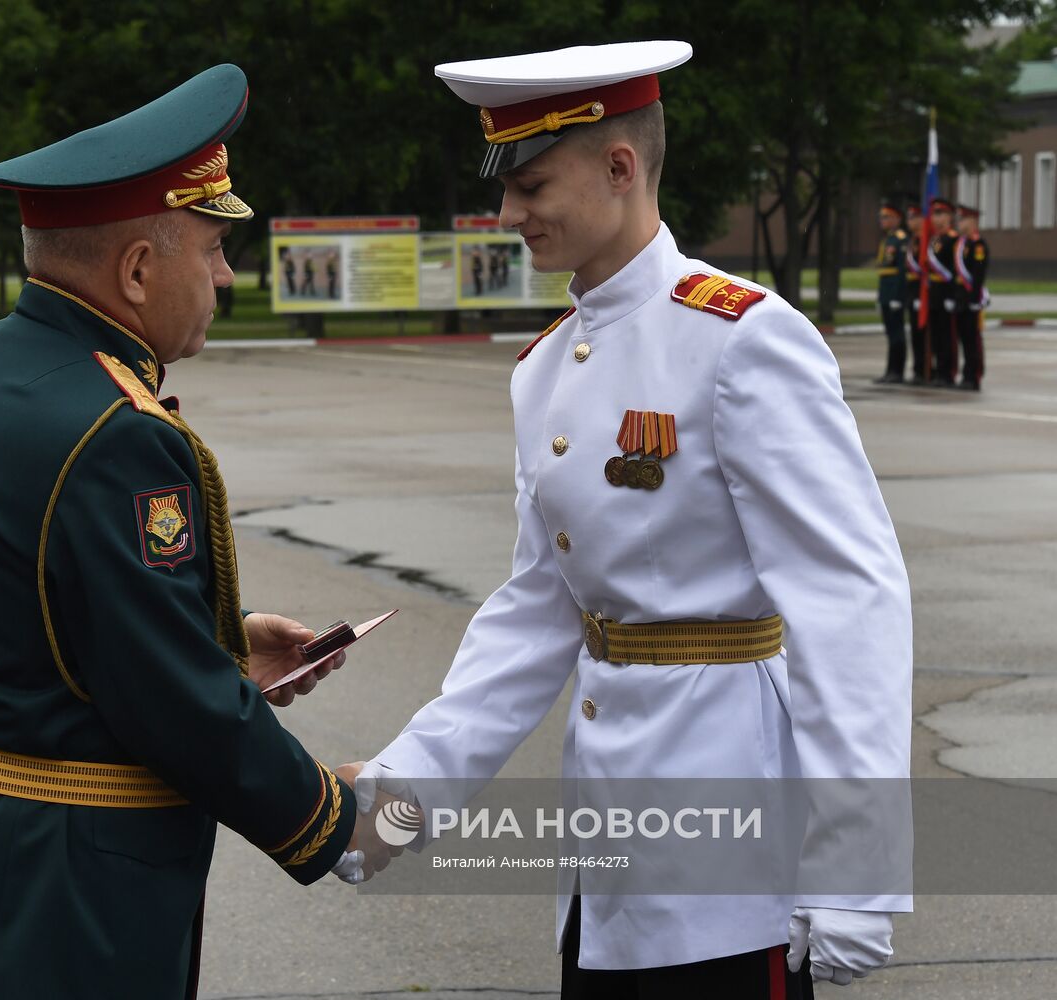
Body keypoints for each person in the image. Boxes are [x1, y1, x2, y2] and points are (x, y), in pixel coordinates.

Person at [349, 41, 912, 998]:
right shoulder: (543, 370)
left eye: (531, 185)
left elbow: (849, 599)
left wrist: (857, 870)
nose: (509, 215)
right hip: (610, 846)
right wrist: (400, 800)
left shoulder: (741, 338)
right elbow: (535, 616)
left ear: (619, 169)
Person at [0, 64, 370, 1000]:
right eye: (212, 247)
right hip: (69, 901)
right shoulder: (117, 434)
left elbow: (22, 610)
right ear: (136, 269)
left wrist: (219, 639)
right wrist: (336, 817)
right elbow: (178, 706)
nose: (224, 274)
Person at [953, 204, 988, 391]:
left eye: (963, 219)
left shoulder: (978, 245)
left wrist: (974, 300)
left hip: (972, 300)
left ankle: (973, 376)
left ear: (973, 221)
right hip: (961, 299)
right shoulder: (962, 244)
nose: (960, 223)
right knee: (963, 340)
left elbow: (978, 274)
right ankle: (966, 374)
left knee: (972, 341)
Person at [873, 202, 908, 383]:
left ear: (897, 219)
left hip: (894, 293)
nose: (882, 220)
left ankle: (897, 371)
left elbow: (902, 270)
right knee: (890, 332)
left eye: (886, 217)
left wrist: (897, 296)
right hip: (886, 292)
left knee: (897, 333)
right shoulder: (888, 239)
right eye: (882, 217)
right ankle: (890, 370)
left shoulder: (901, 239)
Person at [925, 196, 959, 387]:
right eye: (935, 214)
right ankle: (939, 370)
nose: (936, 219)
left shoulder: (953, 240)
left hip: (947, 292)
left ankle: (948, 372)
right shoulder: (935, 240)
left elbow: (955, 270)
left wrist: (953, 295)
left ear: (949, 217)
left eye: (941, 214)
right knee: (937, 335)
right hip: (935, 293)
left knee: (948, 336)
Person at [903, 203, 931, 383]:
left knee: (927, 336)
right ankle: (918, 369)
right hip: (913, 294)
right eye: (910, 218)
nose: (911, 221)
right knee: (915, 335)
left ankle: (928, 370)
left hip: (925, 294)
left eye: (915, 218)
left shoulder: (926, 242)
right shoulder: (913, 240)